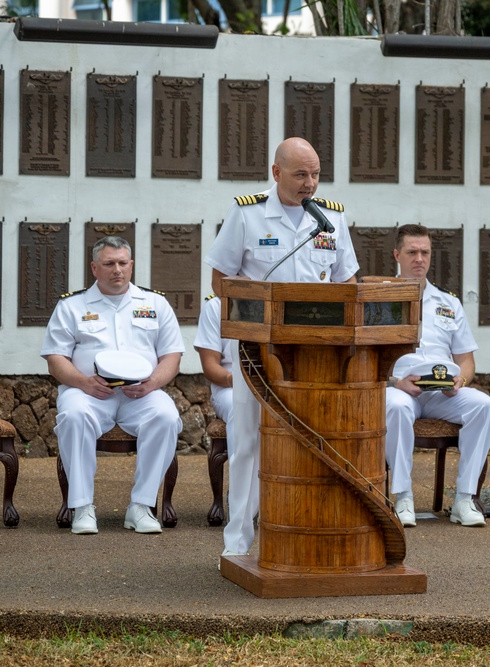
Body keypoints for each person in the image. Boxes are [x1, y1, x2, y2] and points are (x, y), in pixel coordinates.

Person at [205, 137, 359, 558]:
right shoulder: (247, 213)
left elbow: (347, 283)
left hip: (316, 353)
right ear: (276, 173)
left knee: (315, 439)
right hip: (258, 349)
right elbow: (221, 281)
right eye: (300, 175)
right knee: (249, 441)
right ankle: (238, 540)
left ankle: (310, 531)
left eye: (315, 174)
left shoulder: (330, 218)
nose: (310, 183)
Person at [41, 236, 184, 535]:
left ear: (131, 265)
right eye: (108, 263)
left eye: (122, 263)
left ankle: (141, 507)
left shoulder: (155, 303)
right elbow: (56, 358)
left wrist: (152, 384)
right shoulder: (72, 305)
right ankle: (81, 507)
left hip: (141, 394)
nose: (116, 269)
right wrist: (83, 382)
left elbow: (172, 356)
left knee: (166, 416)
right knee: (73, 416)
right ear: (94, 267)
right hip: (89, 392)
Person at [385, 224, 490, 528]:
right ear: (397, 255)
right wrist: (395, 382)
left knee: (483, 405)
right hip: (398, 388)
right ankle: (403, 497)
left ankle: (464, 499)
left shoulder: (448, 303)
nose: (419, 258)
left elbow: (465, 360)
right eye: (412, 252)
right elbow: (366, 357)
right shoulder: (379, 298)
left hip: (441, 393)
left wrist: (460, 381)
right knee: (395, 407)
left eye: (425, 252)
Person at [193, 294, 233, 424]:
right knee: (240, 407)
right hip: (230, 387)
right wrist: (233, 380)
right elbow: (210, 365)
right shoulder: (216, 306)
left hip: (277, 385)